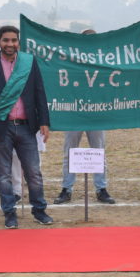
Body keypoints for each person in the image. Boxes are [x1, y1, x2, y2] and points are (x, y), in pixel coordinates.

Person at [0, 25, 53, 229]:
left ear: (18, 42)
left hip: (27, 127)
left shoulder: (29, 62)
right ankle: (9, 214)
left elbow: (39, 92)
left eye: (13, 40)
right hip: (1, 127)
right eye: (6, 40)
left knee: (34, 172)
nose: (10, 44)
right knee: (3, 175)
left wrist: (44, 122)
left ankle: (39, 210)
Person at [53, 29, 115, 206]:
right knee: (69, 152)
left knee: (99, 151)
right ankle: (66, 188)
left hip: (96, 112)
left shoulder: (102, 62)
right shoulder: (70, 61)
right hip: (74, 112)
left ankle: (101, 188)